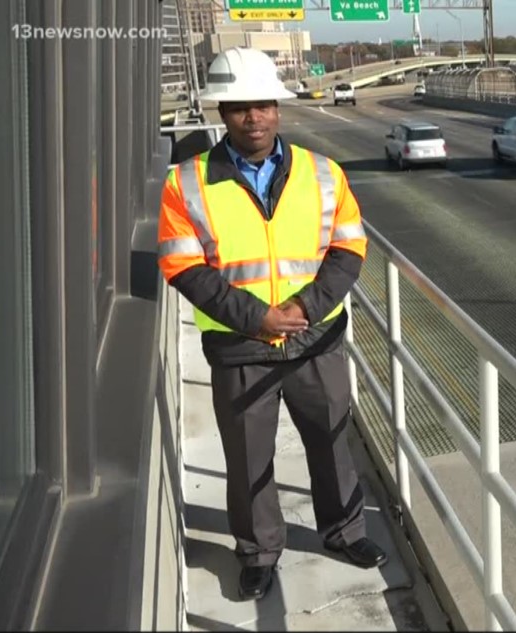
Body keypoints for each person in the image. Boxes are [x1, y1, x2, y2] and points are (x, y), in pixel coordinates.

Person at [157, 47, 386, 602]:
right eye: (238, 107)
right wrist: (258, 318)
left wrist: (304, 309)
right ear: (221, 112)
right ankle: (258, 553)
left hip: (315, 340)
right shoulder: (185, 184)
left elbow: (349, 249)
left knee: (332, 445)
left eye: (261, 104)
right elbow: (182, 266)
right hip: (239, 346)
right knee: (248, 459)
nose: (252, 117)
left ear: (277, 109)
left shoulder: (323, 174)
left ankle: (344, 532)